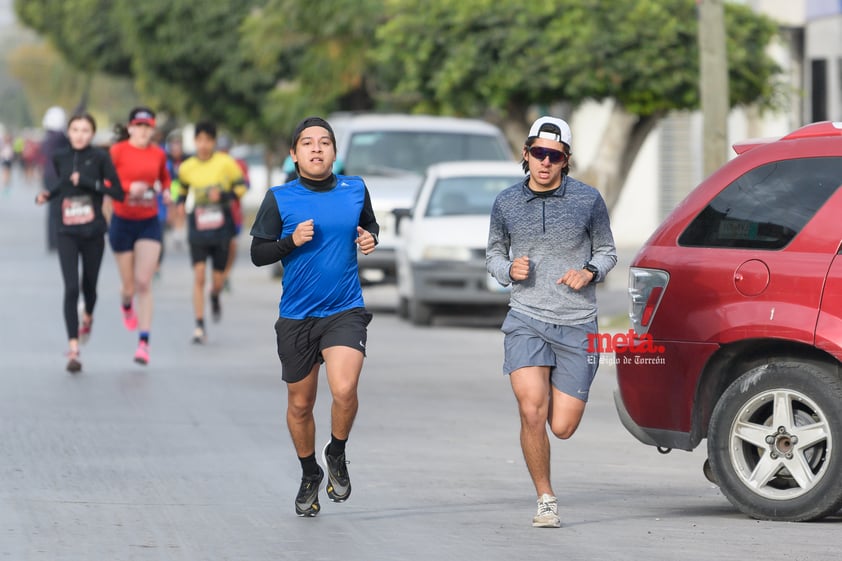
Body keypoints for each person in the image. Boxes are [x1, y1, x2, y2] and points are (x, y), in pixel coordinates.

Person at [486, 116, 617, 528]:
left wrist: (590, 271)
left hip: (578, 323)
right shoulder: (506, 203)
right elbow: (492, 254)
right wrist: (509, 270)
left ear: (565, 161)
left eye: (554, 156)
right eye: (538, 153)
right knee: (531, 411)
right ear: (525, 155)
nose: (545, 162)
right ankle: (545, 497)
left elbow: (609, 251)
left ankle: (549, 472)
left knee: (561, 427)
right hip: (526, 318)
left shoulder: (588, 200)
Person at [250, 116, 379, 517]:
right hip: (297, 316)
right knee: (301, 404)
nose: (317, 149)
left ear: (335, 153)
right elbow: (258, 254)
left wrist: (370, 237)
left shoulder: (354, 189)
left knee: (344, 389)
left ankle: (336, 451)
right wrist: (291, 241)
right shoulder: (279, 198)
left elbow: (369, 224)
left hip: (344, 309)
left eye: (325, 143)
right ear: (294, 154)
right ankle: (310, 472)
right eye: (307, 143)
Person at [34, 113, 125, 372]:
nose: (80, 134)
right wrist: (47, 195)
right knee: (71, 288)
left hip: (94, 232)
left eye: (85, 130)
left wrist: (88, 182)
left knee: (90, 288)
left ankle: (88, 316)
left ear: (92, 133)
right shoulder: (60, 156)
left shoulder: (100, 157)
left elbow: (117, 191)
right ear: (69, 132)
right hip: (67, 232)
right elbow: (64, 186)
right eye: (75, 129)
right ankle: (73, 349)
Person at [108, 107, 171, 365]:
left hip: (148, 222)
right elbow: (106, 183)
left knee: (144, 283)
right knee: (129, 286)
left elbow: (167, 181)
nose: (144, 131)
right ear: (131, 127)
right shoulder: (117, 151)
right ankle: (126, 303)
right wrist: (127, 188)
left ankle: (144, 343)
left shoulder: (158, 154)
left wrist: (168, 192)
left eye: (148, 127)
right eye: (139, 126)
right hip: (122, 221)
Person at [176, 122, 246, 343]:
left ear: (214, 142)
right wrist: (179, 201)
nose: (204, 145)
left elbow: (241, 186)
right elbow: (180, 187)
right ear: (195, 141)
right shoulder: (187, 166)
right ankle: (199, 325)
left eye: (208, 140)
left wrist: (224, 196)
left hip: (220, 227)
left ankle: (215, 294)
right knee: (198, 276)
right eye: (200, 140)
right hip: (197, 225)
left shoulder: (226, 163)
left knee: (216, 280)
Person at [215, 133, 250, 291]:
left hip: (233, 212)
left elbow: (246, 185)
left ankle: (226, 274)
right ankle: (218, 273)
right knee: (216, 245)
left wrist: (232, 192)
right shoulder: (211, 164)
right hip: (214, 213)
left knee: (232, 244)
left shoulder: (238, 164)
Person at [40, 106, 71, 251]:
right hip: (56, 177)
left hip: (49, 176)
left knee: (53, 210)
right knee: (58, 210)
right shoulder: (58, 138)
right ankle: (57, 240)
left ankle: (53, 241)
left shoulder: (48, 138)